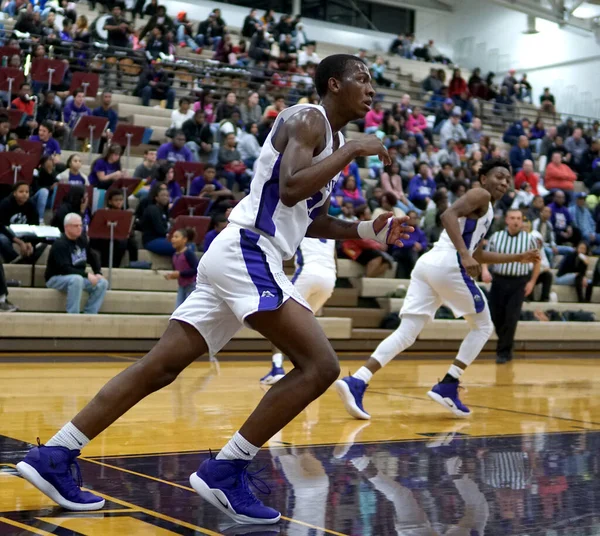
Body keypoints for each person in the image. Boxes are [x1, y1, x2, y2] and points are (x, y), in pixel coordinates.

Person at [15, 54, 411, 523]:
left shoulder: (334, 137)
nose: (370, 88)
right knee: (321, 365)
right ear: (333, 83)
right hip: (248, 251)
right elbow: (289, 189)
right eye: (361, 79)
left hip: (244, 253)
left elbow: (303, 217)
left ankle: (55, 455)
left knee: (158, 368)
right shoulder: (309, 119)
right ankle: (226, 469)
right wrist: (352, 151)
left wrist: (369, 227)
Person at [335, 159, 539, 420]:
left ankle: (358, 381)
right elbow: (447, 216)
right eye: (499, 176)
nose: (504, 182)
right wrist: (464, 255)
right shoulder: (481, 195)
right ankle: (449, 384)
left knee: (407, 333)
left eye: (508, 179)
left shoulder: (487, 212)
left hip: (429, 266)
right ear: (484, 178)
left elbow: (477, 253)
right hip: (448, 264)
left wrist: (516, 257)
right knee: (484, 327)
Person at [261, 236, 337, 385]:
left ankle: (277, 369)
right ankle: (313, 367)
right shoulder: (329, 231)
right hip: (329, 278)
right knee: (307, 325)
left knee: (278, 320)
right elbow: (335, 259)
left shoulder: (301, 224)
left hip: (308, 273)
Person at [481, 210, 539, 364]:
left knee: (511, 318)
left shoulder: (529, 239)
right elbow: (485, 256)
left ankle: (503, 352)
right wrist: (485, 270)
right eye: (513, 218)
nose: (516, 221)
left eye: (519, 219)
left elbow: (537, 261)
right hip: (499, 281)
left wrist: (532, 282)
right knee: (495, 316)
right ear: (506, 220)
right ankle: (507, 344)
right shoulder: (496, 237)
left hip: (518, 282)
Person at [45, 213, 108, 314]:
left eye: (80, 225)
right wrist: (86, 274)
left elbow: (93, 257)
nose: (79, 228)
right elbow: (65, 269)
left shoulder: (82, 240)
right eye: (76, 226)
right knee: (76, 279)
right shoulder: (60, 244)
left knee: (102, 283)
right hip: (56, 278)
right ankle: (73, 315)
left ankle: (90, 314)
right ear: (67, 227)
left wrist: (98, 272)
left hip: (77, 277)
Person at [164, 227, 198, 308]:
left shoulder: (188, 253)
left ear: (184, 239)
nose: (173, 239)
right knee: (178, 308)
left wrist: (180, 273)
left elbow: (195, 269)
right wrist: (172, 275)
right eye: (172, 237)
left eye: (176, 237)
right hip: (182, 286)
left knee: (188, 308)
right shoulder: (174, 255)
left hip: (191, 285)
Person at [390, 210, 427, 278]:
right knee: (412, 251)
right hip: (400, 251)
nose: (413, 220)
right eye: (411, 218)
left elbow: (424, 242)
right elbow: (400, 242)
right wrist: (413, 243)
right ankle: (417, 274)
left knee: (419, 252)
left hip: (413, 252)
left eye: (415, 218)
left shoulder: (419, 231)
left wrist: (421, 246)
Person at [140, 182, 174, 256]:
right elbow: (160, 229)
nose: (165, 198)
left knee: (188, 245)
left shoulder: (165, 211)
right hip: (152, 240)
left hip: (163, 239)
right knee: (179, 245)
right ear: (156, 197)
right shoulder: (153, 209)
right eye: (163, 195)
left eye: (167, 196)